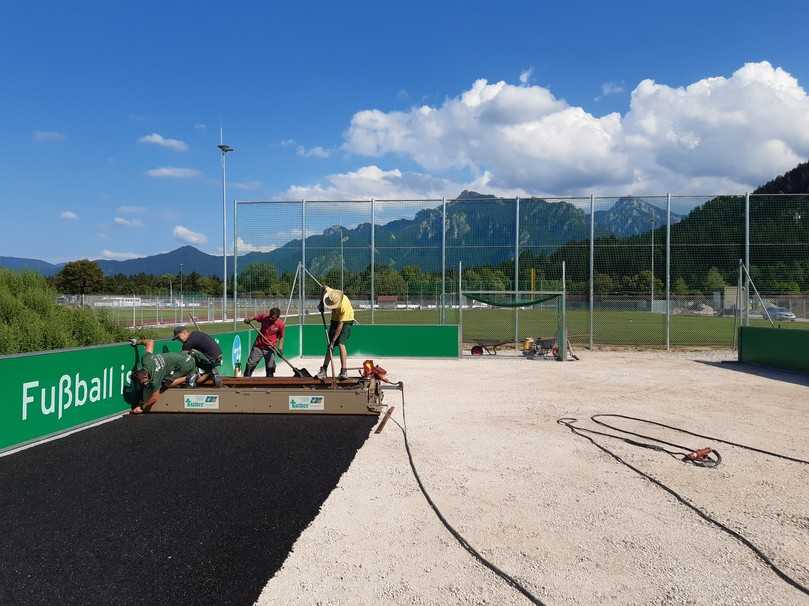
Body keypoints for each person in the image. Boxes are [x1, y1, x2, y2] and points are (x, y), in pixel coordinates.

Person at [128, 338, 200, 414]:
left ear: (145, 377)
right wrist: (137, 342)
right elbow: (150, 342)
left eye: (141, 382)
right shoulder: (146, 359)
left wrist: (142, 407)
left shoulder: (155, 379)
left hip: (186, 364)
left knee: (166, 383)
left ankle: (189, 377)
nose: (141, 384)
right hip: (183, 355)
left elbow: (155, 397)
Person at [316, 286, 354, 380]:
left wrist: (333, 342)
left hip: (346, 321)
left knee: (340, 343)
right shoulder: (331, 293)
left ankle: (344, 371)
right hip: (335, 319)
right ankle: (324, 369)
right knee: (329, 346)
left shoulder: (344, 307)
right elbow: (323, 287)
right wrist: (321, 302)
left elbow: (340, 326)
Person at [243, 307, 285, 377]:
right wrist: (248, 319)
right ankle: (245, 380)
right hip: (258, 346)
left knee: (270, 367)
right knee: (250, 364)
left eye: (273, 318)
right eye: (270, 316)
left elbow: (281, 337)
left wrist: (280, 348)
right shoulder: (264, 317)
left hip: (270, 348)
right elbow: (255, 317)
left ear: (277, 317)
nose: (270, 318)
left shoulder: (281, 324)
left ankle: (269, 383)